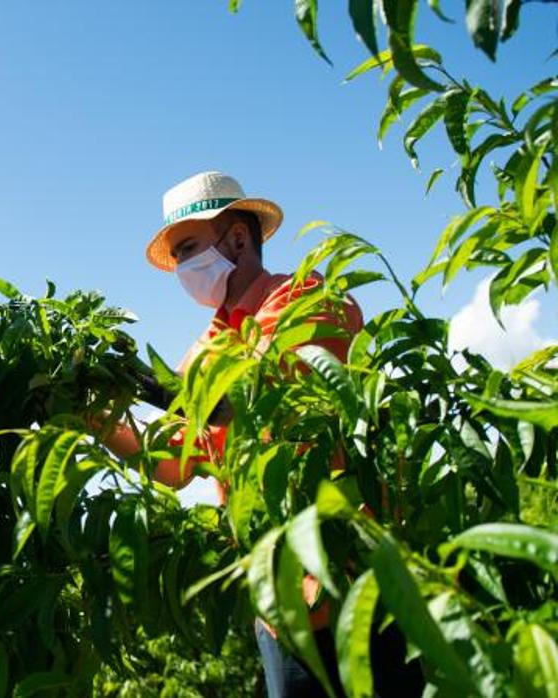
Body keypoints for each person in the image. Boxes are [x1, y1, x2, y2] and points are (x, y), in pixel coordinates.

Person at [98, 173, 420, 696]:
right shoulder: (202, 352)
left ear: (239, 239)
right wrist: (92, 419)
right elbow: (173, 466)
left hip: (362, 582)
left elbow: (245, 399)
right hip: (281, 604)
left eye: (187, 249)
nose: (182, 269)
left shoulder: (306, 300)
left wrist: (142, 380)